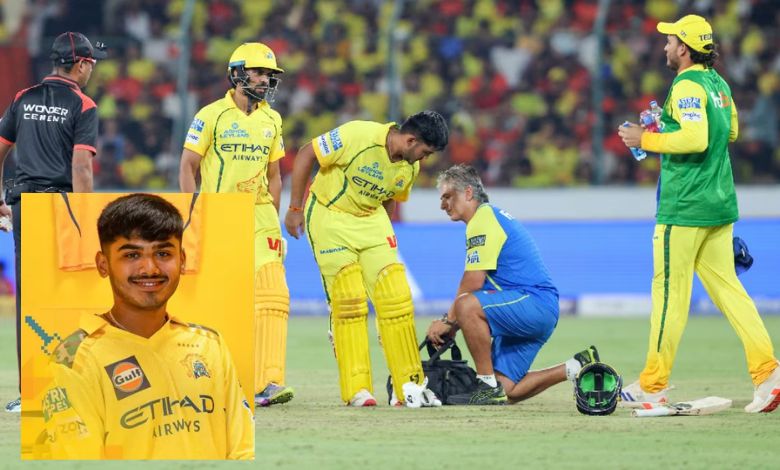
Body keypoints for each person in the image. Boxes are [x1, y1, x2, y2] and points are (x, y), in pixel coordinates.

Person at [618, 15, 780, 413]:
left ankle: (652, 385)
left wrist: (646, 139)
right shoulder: (718, 84)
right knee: (730, 293)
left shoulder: (687, 84)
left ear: (684, 49)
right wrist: (669, 125)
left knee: (669, 297)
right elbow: (730, 132)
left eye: (670, 41)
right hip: (718, 203)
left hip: (685, 208)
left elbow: (696, 137)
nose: (665, 46)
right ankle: (769, 376)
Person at [42, 194, 254, 459]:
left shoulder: (210, 344)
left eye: (163, 253)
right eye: (132, 255)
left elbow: (244, 449)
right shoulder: (73, 360)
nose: (150, 268)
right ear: (103, 264)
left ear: (182, 260)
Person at [284, 110, 448, 407]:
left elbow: (390, 200)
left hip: (372, 220)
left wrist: (383, 238)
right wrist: (295, 208)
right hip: (331, 216)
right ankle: (357, 388)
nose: (424, 159)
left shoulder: (409, 166)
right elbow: (307, 153)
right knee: (349, 299)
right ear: (411, 140)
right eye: (425, 152)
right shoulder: (358, 135)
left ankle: (408, 387)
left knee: (396, 297)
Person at [426, 164, 600, 405]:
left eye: (447, 197)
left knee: (466, 304)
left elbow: (473, 281)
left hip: (533, 303)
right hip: (536, 307)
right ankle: (577, 366)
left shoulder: (482, 218)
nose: (443, 205)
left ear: (468, 193)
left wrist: (448, 322)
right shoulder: (489, 217)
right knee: (507, 389)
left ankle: (486, 385)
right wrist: (454, 324)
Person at [179, 42, 293, 407]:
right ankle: (212, 377)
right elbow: (187, 166)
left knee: (273, 293)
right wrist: (190, 212)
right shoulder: (211, 115)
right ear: (237, 74)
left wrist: (272, 218)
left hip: (259, 213)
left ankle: (269, 382)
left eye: (269, 75)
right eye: (258, 73)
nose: (265, 81)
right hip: (219, 212)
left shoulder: (272, 120)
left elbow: (275, 176)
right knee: (222, 301)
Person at [0, 31, 102, 413]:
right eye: (92, 63)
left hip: (25, 206)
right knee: (70, 297)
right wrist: (85, 219)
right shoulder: (83, 104)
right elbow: (81, 166)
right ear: (82, 64)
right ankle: (68, 387)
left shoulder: (22, 98)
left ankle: (29, 393)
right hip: (61, 209)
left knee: (29, 300)